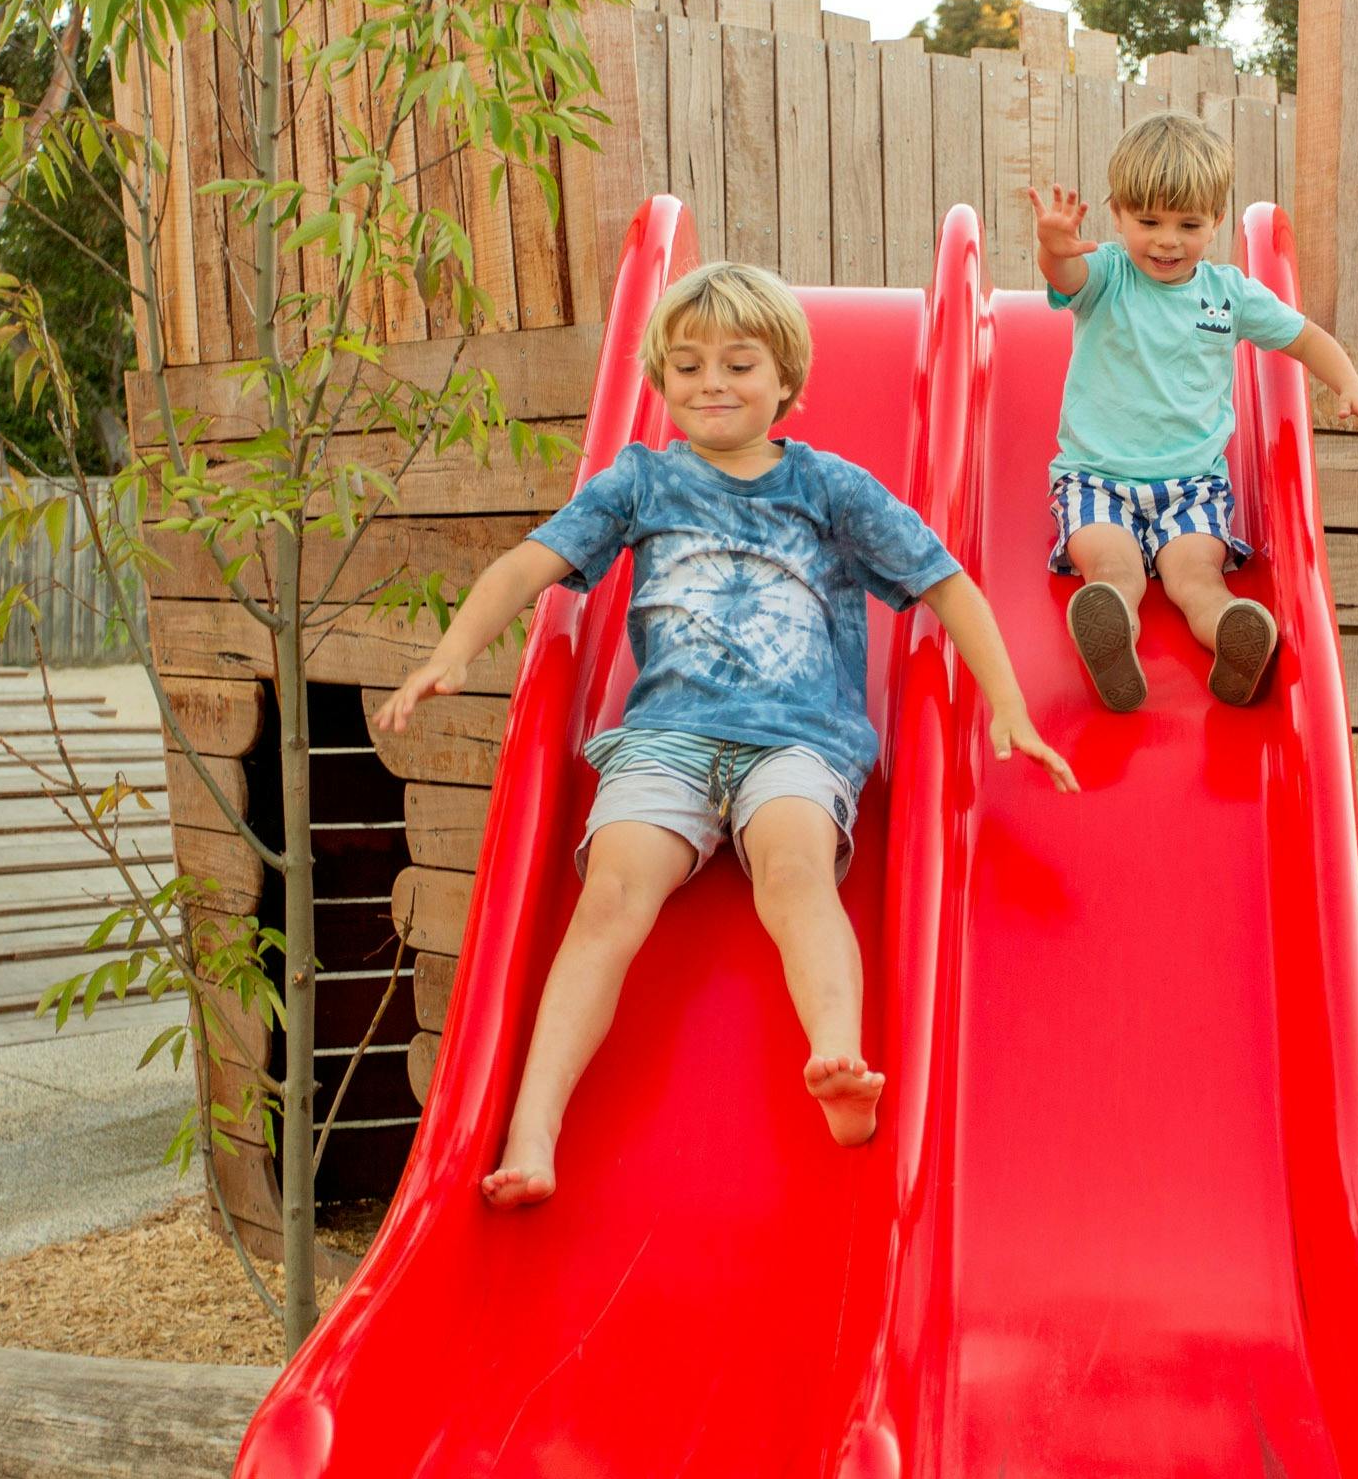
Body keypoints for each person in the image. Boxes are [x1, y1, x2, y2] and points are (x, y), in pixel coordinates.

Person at [374, 261, 1075, 1208]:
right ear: (660, 382)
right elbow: (524, 564)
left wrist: (1011, 707)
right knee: (610, 894)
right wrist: (451, 652)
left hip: (798, 739)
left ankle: (837, 1056)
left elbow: (947, 582)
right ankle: (535, 1125)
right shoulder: (642, 482)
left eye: (739, 364)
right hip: (666, 736)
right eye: (690, 365)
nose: (713, 383)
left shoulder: (829, 487)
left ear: (786, 380)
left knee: (792, 869)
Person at [1027, 111, 1358, 711]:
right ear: (1117, 215)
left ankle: (1230, 635)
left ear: (1217, 220)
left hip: (1191, 486)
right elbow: (1067, 274)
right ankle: (1114, 641)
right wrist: (1052, 247)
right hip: (1097, 479)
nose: (1168, 240)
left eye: (1189, 224)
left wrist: (1352, 387)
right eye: (1148, 222)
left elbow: (1305, 339)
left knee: (1197, 576)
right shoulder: (1110, 276)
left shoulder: (1228, 294)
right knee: (1114, 569)